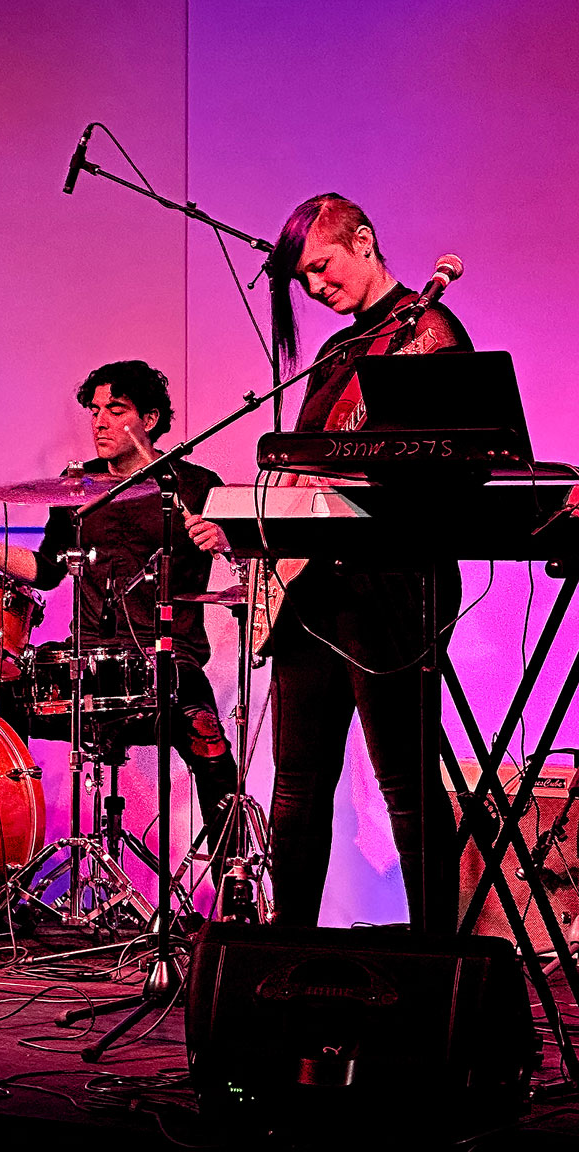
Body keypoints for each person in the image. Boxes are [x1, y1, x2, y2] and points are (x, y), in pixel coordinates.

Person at [0, 360, 240, 864]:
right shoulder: (76, 487)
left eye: (115, 410)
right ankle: (0, 867)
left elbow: (244, 561)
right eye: (95, 411)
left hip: (169, 660)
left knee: (212, 752)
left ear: (150, 419)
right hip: (89, 659)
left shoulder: (195, 486)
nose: (100, 422)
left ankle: (235, 884)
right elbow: (47, 570)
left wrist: (226, 539)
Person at [262, 193, 468, 931]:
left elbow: (452, 463)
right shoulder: (333, 354)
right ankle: (289, 949)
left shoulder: (431, 331)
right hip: (315, 587)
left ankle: (436, 956)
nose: (316, 286)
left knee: (406, 784)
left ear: (364, 241)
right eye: (304, 279)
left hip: (392, 581)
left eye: (322, 266)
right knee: (297, 783)